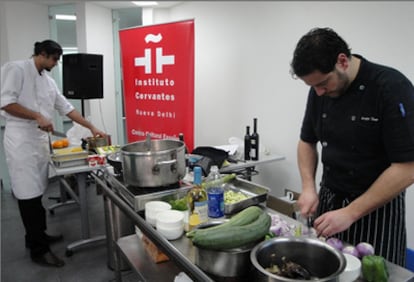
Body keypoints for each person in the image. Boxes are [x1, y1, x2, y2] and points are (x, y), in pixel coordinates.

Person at [291, 27, 414, 266]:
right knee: (325, 269)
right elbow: (307, 141)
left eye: (323, 83)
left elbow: (408, 167)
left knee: (375, 272)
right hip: (330, 200)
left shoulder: (390, 87)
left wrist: (351, 213)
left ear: (342, 61)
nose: (319, 92)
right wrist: (308, 187)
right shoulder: (319, 91)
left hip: (378, 212)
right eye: (313, 87)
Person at [0, 40, 106, 267]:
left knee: (37, 191)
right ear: (42, 54)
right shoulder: (16, 69)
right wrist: (36, 116)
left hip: (39, 141)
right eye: (54, 59)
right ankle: (39, 251)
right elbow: (6, 103)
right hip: (21, 141)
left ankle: (37, 236)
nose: (56, 64)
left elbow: (66, 107)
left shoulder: (48, 81)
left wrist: (91, 127)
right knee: (27, 194)